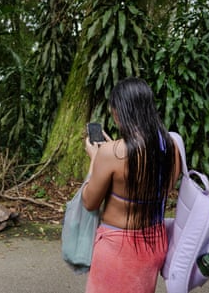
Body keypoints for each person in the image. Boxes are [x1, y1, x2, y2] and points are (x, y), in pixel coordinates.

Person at [82, 77, 181, 293]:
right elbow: (160, 186)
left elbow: (89, 202)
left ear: (119, 112)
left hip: (118, 248)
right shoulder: (173, 147)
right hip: (153, 242)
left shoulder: (110, 154)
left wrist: (95, 160)